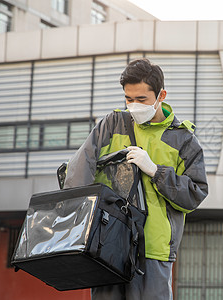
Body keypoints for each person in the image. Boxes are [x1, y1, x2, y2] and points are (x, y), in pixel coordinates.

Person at [63, 58, 209, 299]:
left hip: (153, 247)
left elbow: (194, 194)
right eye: (128, 99)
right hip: (107, 243)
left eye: (141, 99)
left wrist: (155, 171)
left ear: (161, 95)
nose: (133, 105)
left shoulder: (184, 140)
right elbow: (80, 168)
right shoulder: (112, 123)